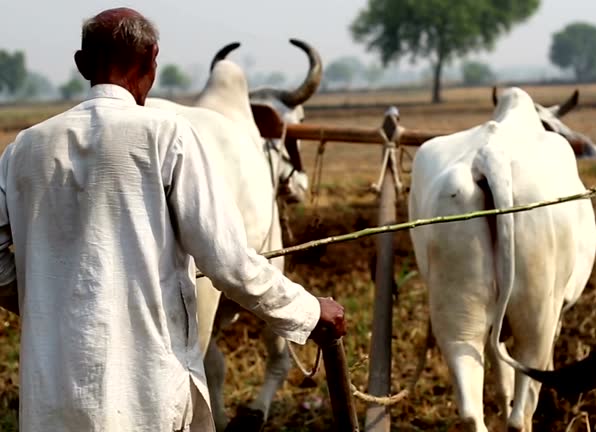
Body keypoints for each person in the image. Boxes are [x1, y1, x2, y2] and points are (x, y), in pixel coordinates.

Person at [0, 7, 345, 432]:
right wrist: (310, 312)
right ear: (151, 61)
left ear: (81, 64)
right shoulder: (168, 136)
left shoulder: (22, 150)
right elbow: (228, 262)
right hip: (147, 395)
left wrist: (51, 301)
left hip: (49, 399)